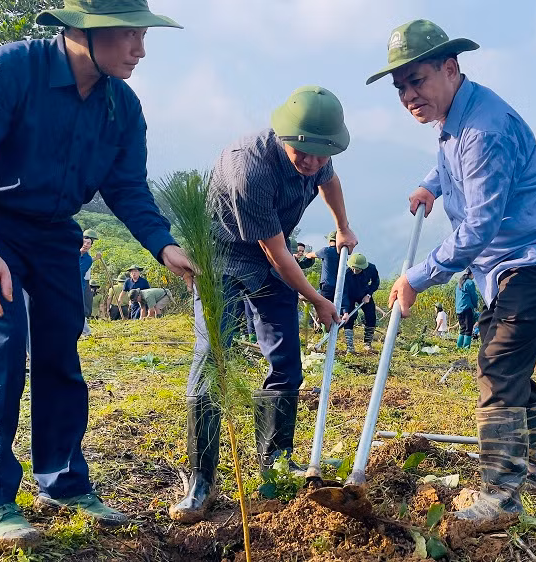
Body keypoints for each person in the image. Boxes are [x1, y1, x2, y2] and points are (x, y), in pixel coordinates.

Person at [0, 0, 194, 548]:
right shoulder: (10, 70)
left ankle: (65, 481)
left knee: (60, 349)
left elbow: (126, 188)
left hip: (52, 233)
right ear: (84, 31)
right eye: (130, 37)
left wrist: (164, 245)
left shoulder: (121, 106)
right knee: (2, 344)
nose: (140, 51)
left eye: (144, 38)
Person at [371, 20, 536, 523]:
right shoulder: (456, 117)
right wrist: (431, 186)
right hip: (507, 266)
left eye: (416, 81)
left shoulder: (485, 130)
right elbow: (449, 166)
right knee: (507, 361)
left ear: (450, 67)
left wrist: (418, 276)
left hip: (534, 259)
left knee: (497, 365)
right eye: (400, 87)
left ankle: (501, 495)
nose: (408, 96)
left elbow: (480, 227)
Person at [170, 85, 356, 523]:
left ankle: (275, 459)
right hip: (223, 256)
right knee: (214, 356)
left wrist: (343, 226)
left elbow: (329, 182)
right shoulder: (249, 168)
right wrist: (317, 299)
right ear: (285, 134)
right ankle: (201, 479)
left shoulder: (319, 160)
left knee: (286, 358)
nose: (310, 162)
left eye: (321, 154)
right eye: (302, 152)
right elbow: (275, 252)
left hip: (273, 258)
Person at [340, 253, 380, 353]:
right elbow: (343, 293)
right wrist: (345, 311)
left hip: (364, 294)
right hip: (349, 295)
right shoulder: (345, 273)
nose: (355, 271)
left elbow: (375, 282)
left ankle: (367, 344)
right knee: (349, 318)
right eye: (353, 268)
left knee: (371, 316)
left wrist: (369, 294)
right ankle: (350, 346)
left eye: (357, 269)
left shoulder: (371, 268)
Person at [306, 232, 339, 301]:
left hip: (327, 286)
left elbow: (310, 255)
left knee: (324, 307)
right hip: (339, 286)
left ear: (329, 241)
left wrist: (306, 254)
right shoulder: (342, 253)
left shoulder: (326, 251)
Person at [454, 269, 479, 348]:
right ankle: (466, 347)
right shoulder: (470, 283)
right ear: (471, 274)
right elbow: (474, 296)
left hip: (459, 309)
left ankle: (459, 346)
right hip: (467, 308)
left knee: (463, 328)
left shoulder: (459, 284)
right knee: (469, 328)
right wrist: (475, 305)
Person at [79, 230, 98, 336]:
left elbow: (77, 271)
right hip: (63, 284)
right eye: (84, 242)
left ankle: (86, 332)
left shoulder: (88, 259)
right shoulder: (72, 252)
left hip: (77, 286)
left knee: (78, 309)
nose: (85, 245)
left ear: (91, 246)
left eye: (88, 243)